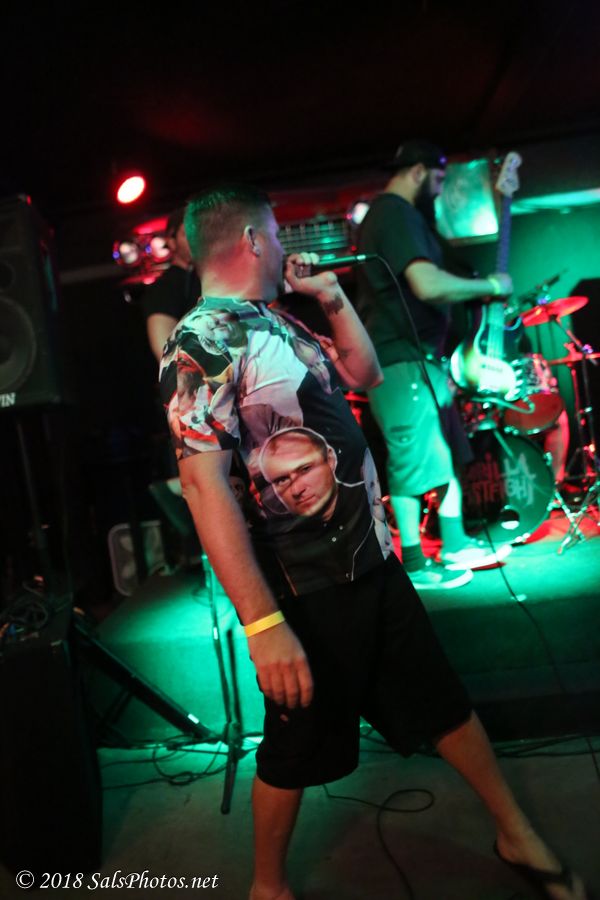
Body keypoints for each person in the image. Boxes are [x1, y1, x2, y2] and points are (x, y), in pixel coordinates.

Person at [160, 184, 588, 900]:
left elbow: (366, 373)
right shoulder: (202, 339)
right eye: (276, 235)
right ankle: (267, 887)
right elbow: (204, 486)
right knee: (295, 742)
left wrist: (331, 296)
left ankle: (515, 832)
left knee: (442, 702)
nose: (284, 248)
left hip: (371, 561)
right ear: (254, 241)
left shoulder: (277, 321)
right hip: (308, 582)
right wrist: (263, 625)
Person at [356, 140, 513, 590]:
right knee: (410, 462)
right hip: (400, 361)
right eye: (440, 179)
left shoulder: (402, 217)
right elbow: (425, 284)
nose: (441, 190)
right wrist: (489, 284)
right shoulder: (393, 214)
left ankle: (457, 544)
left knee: (444, 454)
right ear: (419, 172)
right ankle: (415, 564)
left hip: (422, 360)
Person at [142, 207, 201, 362]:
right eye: (187, 233)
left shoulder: (209, 278)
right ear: (171, 241)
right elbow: (165, 352)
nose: (196, 239)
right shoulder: (165, 286)